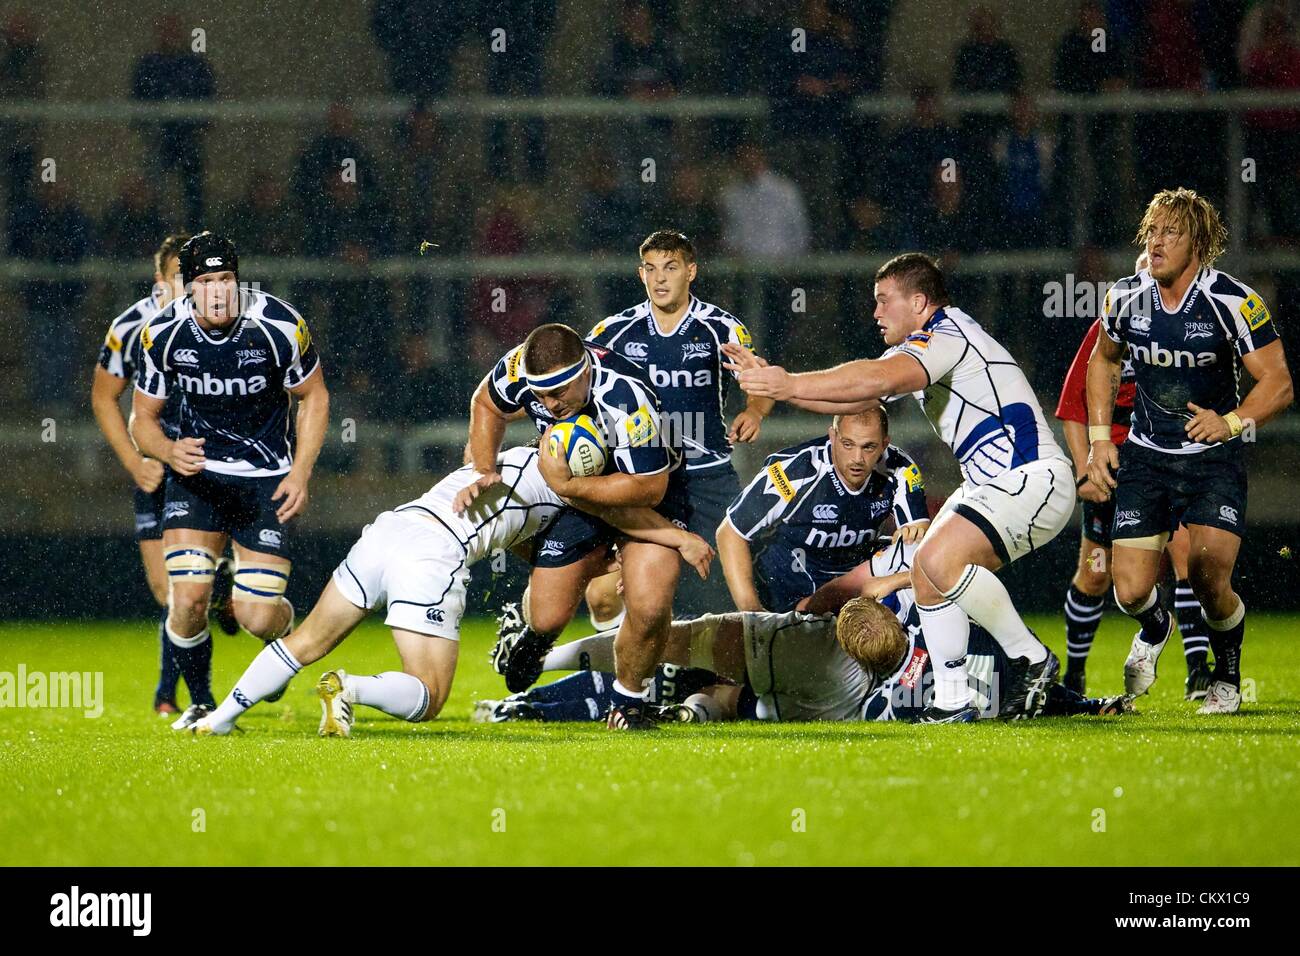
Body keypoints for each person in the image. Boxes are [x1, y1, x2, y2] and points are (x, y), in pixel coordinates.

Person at [724, 252, 1074, 723]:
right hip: (991, 485)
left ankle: (1029, 657)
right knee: (929, 575)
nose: (875, 312)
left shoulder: (948, 333)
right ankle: (952, 703)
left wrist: (786, 383)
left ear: (919, 301)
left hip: (1030, 477)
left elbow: (879, 377)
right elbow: (856, 394)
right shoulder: (925, 346)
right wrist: (776, 386)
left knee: (934, 559)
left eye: (883, 300)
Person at [188, 445, 712, 736]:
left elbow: (520, 530)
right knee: (430, 697)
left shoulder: (508, 459)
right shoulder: (568, 485)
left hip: (387, 532)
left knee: (304, 641)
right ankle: (352, 688)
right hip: (431, 559)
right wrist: (680, 539)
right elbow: (622, 514)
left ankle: (219, 718)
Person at [480, 540, 1130, 725]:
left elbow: (856, 595)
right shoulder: (918, 685)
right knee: (691, 682)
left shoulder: (898, 635)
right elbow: (1024, 683)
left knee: (667, 657)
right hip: (802, 685)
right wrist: (1086, 702)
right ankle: (533, 682)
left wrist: (900, 577)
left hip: (774, 647)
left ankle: (533, 675)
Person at [1086, 188, 1293, 714]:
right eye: (1151, 232)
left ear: (1196, 242)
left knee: (1206, 576)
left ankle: (1225, 676)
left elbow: (1278, 381)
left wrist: (1230, 421)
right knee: (1130, 591)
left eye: (1169, 233)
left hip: (1211, 463)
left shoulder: (1232, 301)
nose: (1155, 243)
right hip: (1146, 455)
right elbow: (1103, 361)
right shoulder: (1125, 297)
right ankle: (1157, 628)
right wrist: (1098, 440)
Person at [131, 232, 330, 730]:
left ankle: (281, 640)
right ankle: (200, 702)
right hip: (197, 481)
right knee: (189, 600)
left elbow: (315, 397)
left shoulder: (280, 325)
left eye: (226, 279)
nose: (218, 291)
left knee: (255, 616)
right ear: (186, 286)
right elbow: (141, 420)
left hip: (265, 482)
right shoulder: (161, 333)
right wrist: (167, 450)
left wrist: (301, 472)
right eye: (205, 281)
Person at [457, 322, 692, 729]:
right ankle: (531, 630)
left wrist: (571, 486)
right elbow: (487, 403)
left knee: (650, 600)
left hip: (643, 494)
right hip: (578, 495)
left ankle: (628, 701)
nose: (549, 404)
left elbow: (649, 488)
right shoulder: (518, 368)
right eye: (540, 395)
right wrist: (482, 468)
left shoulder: (625, 398)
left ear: (583, 371)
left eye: (560, 392)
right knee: (549, 617)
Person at [584, 229, 773, 621]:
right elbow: (573, 382)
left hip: (708, 477)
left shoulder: (720, 328)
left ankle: (714, 678)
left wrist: (754, 411)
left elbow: (763, 380)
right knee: (603, 595)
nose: (660, 278)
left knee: (726, 591)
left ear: (691, 271)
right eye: (651, 269)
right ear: (640, 275)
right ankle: (626, 671)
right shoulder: (613, 333)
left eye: (670, 268)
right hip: (641, 481)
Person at [91, 232, 239, 715]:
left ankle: (186, 698)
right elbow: (103, 396)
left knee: (186, 588)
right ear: (161, 281)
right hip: (159, 468)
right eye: (183, 277)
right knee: (168, 591)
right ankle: (172, 690)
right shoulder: (133, 326)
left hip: (212, 468)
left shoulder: (231, 322)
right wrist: (137, 461)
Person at [1054, 252, 1211, 698]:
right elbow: (1072, 409)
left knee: (1186, 559)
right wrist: (1088, 468)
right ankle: (1075, 673)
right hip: (1115, 469)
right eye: (1141, 272)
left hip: (1167, 464)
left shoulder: (1188, 334)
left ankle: (1198, 671)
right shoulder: (1105, 333)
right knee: (1095, 574)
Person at [717, 407, 928, 615]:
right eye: (848, 444)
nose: (857, 458)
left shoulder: (901, 469)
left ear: (885, 444)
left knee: (918, 553)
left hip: (852, 592)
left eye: (869, 447)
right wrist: (753, 615)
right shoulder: (795, 471)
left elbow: (918, 540)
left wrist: (914, 535)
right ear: (833, 436)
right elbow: (730, 532)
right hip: (783, 597)